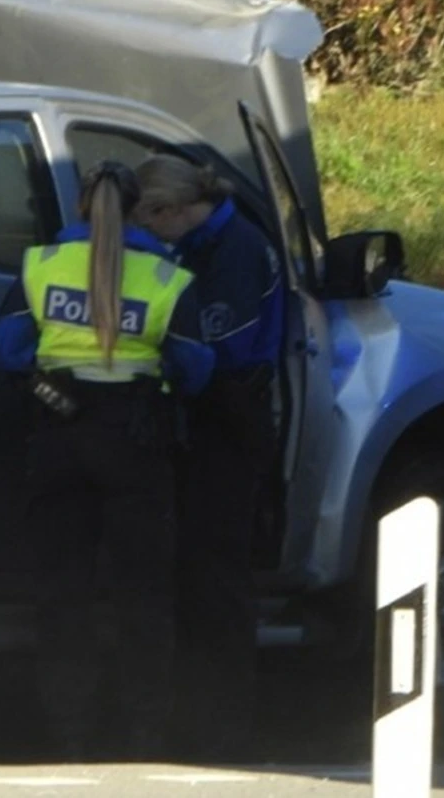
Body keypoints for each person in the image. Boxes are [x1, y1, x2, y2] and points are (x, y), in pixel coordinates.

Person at [0, 160, 215, 760]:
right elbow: (196, 367)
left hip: (58, 436)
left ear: (81, 206)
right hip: (136, 442)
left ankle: (69, 735)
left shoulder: (40, 266)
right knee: (143, 596)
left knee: (62, 595)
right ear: (139, 207)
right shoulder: (168, 278)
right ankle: (144, 736)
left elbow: (8, 348)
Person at [134, 153, 285, 760]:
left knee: (218, 578)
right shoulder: (208, 242)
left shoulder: (235, 251)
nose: (145, 240)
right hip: (215, 415)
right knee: (199, 575)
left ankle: (225, 729)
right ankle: (202, 720)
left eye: (147, 225)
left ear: (170, 210)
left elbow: (219, 347)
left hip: (230, 416)